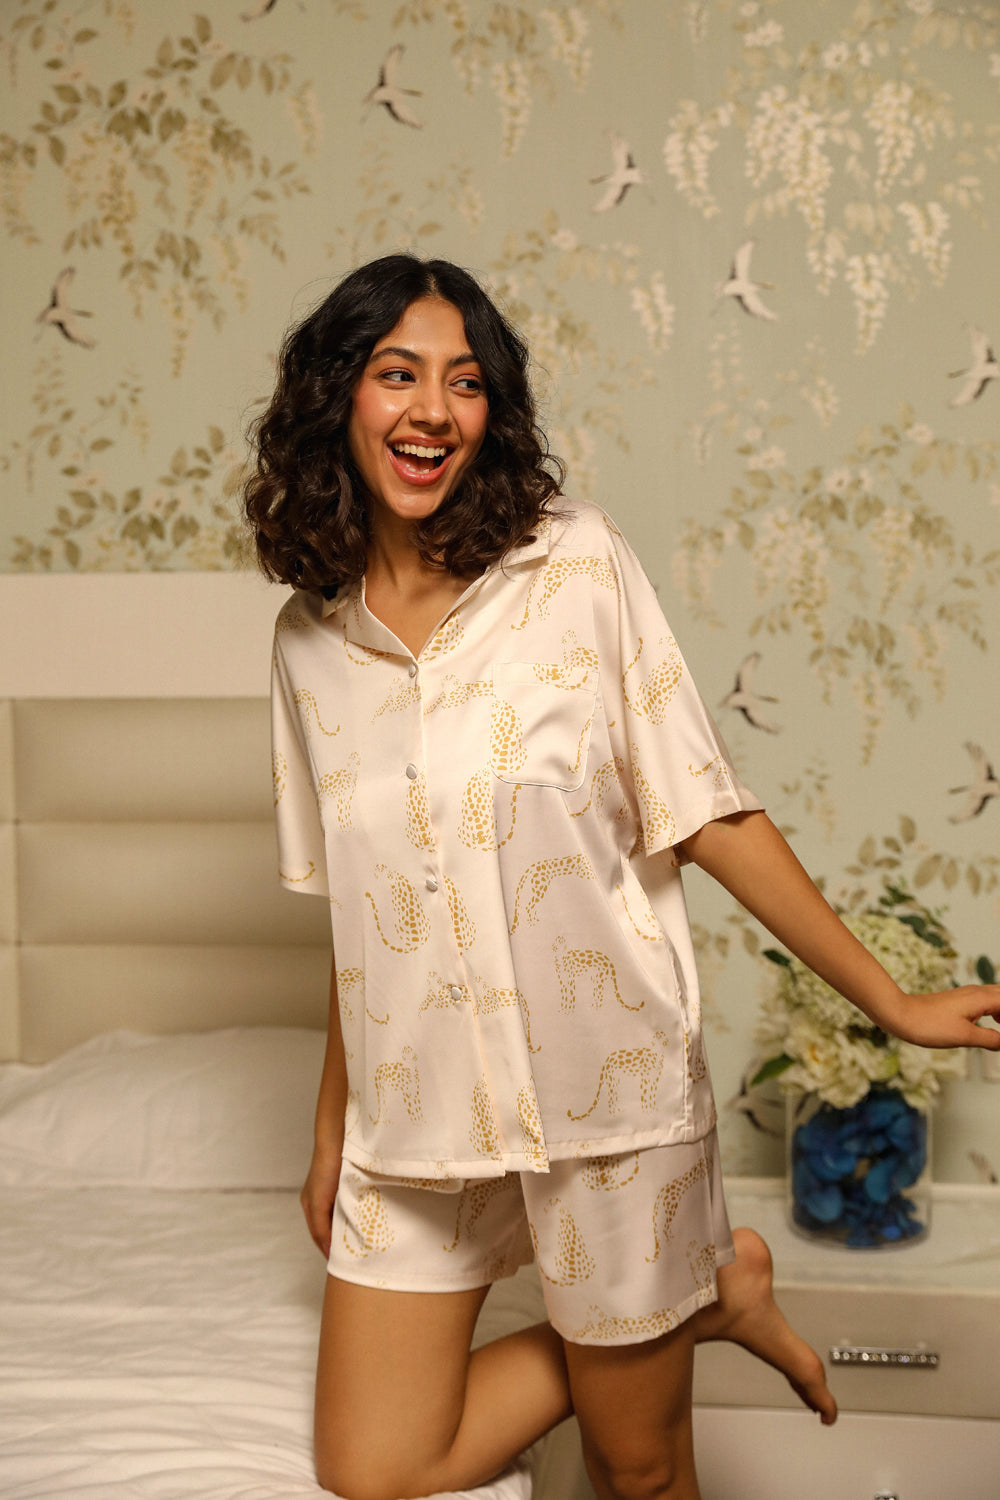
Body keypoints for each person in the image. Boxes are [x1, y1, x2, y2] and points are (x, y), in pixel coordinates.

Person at [243, 254, 1000, 1500]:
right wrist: (334, 1135)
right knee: (373, 1468)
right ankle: (708, 1296)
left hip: (607, 1092)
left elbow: (706, 811)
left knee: (635, 1468)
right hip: (415, 1113)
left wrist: (892, 1001)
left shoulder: (575, 565)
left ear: (492, 412)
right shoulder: (307, 643)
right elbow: (367, 919)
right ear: (339, 396)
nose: (432, 409)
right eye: (397, 374)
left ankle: (670, 1307)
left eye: (465, 382)